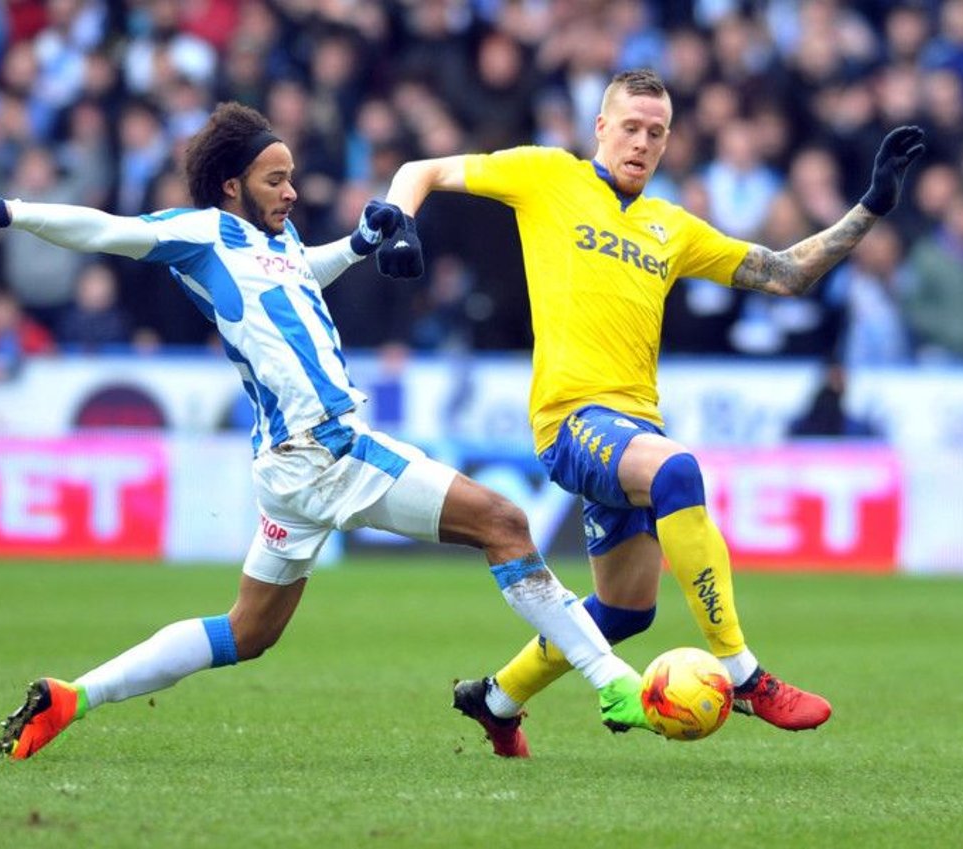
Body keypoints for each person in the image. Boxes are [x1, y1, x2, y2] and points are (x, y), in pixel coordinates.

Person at [0, 102, 647, 760]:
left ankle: (74, 696)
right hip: (326, 446)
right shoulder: (200, 234)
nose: (291, 193)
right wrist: (7, 210)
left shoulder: (275, 244)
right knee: (504, 521)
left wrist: (361, 242)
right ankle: (612, 678)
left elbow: (304, 273)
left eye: (291, 178)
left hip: (286, 470)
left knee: (248, 631)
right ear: (228, 187)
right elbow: (106, 231)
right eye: (274, 180)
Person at [379, 69, 925, 756]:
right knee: (678, 474)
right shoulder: (548, 175)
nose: (641, 142)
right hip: (573, 418)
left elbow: (786, 272)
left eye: (656, 133)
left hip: (633, 426)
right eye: (630, 127)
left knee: (626, 609)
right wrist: (393, 224)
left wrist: (870, 206)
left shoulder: (673, 226)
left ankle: (496, 698)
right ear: (599, 128)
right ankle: (744, 673)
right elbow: (419, 168)